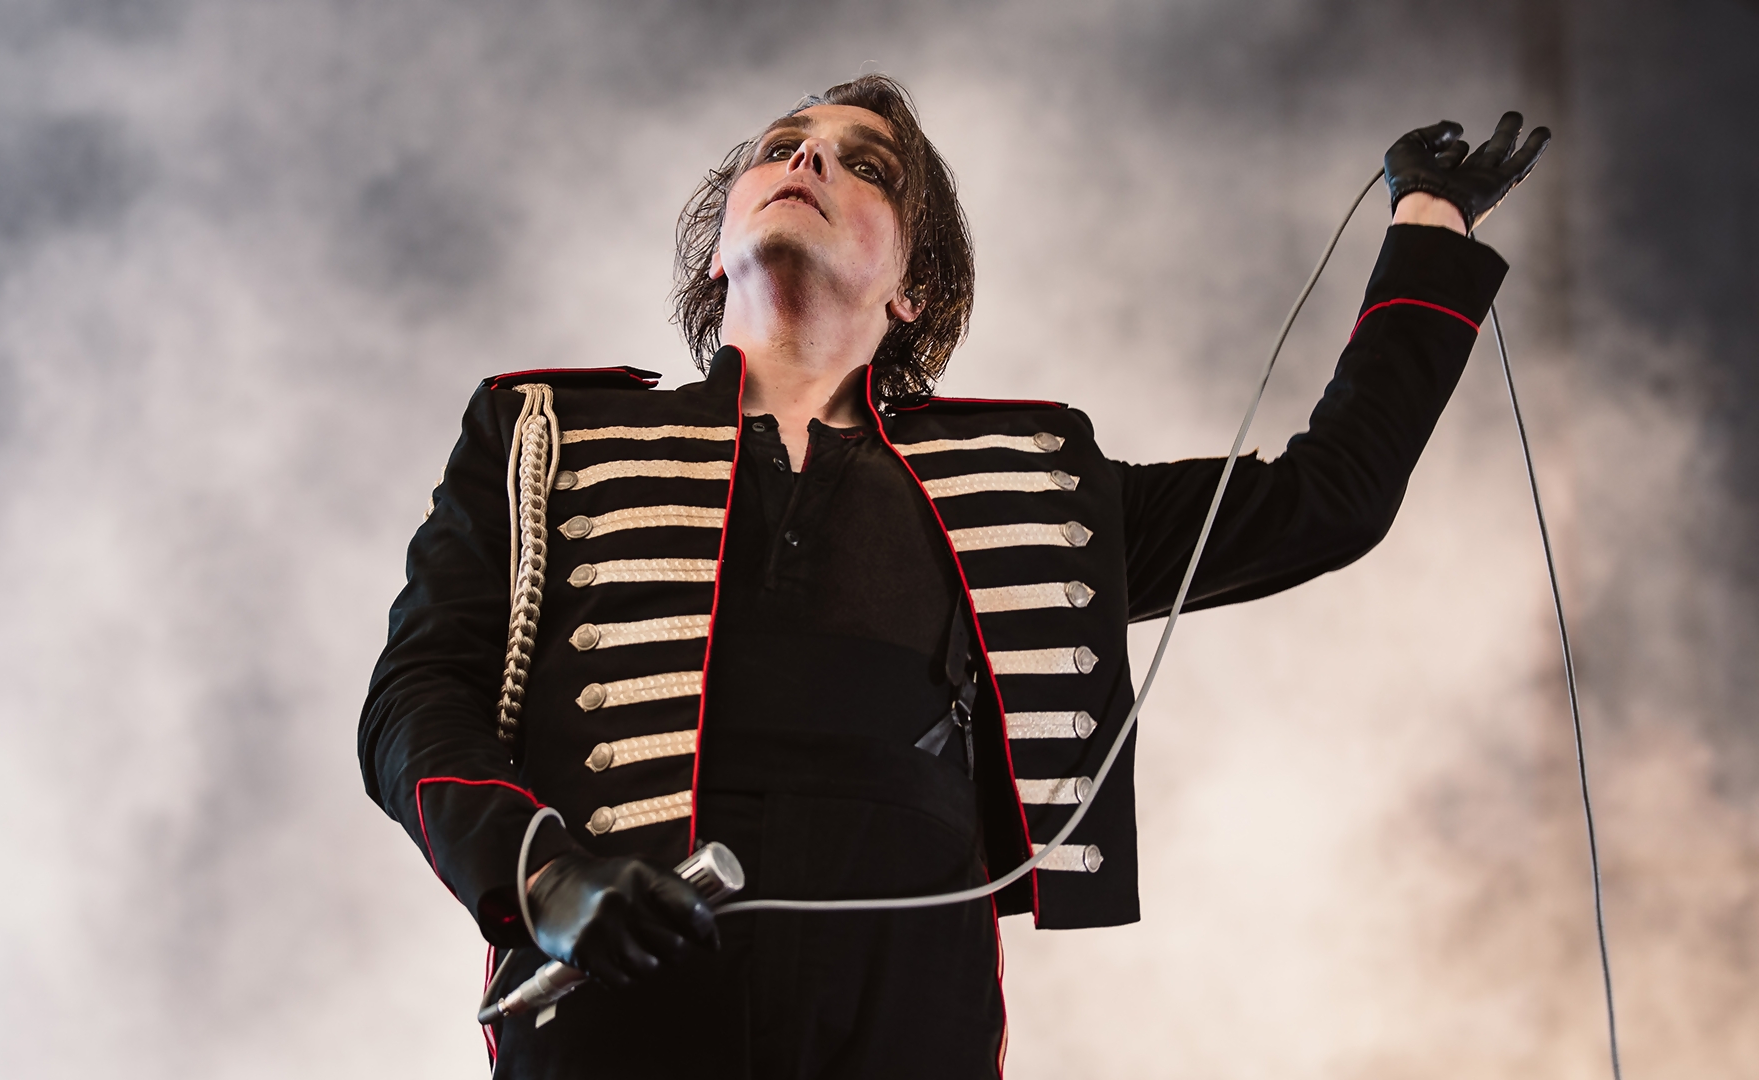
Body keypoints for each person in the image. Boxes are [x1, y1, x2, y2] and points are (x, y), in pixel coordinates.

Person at [358, 74, 1548, 1079]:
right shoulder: (544, 438)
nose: (808, 158)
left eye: (860, 164)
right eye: (782, 148)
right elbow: (418, 695)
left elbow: (1323, 498)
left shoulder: (1027, 483)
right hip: (627, 985)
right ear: (717, 250)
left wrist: (1431, 223)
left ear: (912, 287)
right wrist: (540, 871)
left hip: (906, 1007)